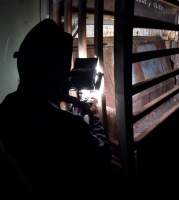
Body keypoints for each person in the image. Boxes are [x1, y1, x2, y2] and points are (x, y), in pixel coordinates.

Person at [0, 19, 111, 195]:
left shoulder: (7, 105)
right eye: (65, 72)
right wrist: (94, 119)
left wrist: (63, 98)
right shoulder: (70, 127)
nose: (68, 79)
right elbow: (103, 158)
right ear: (55, 75)